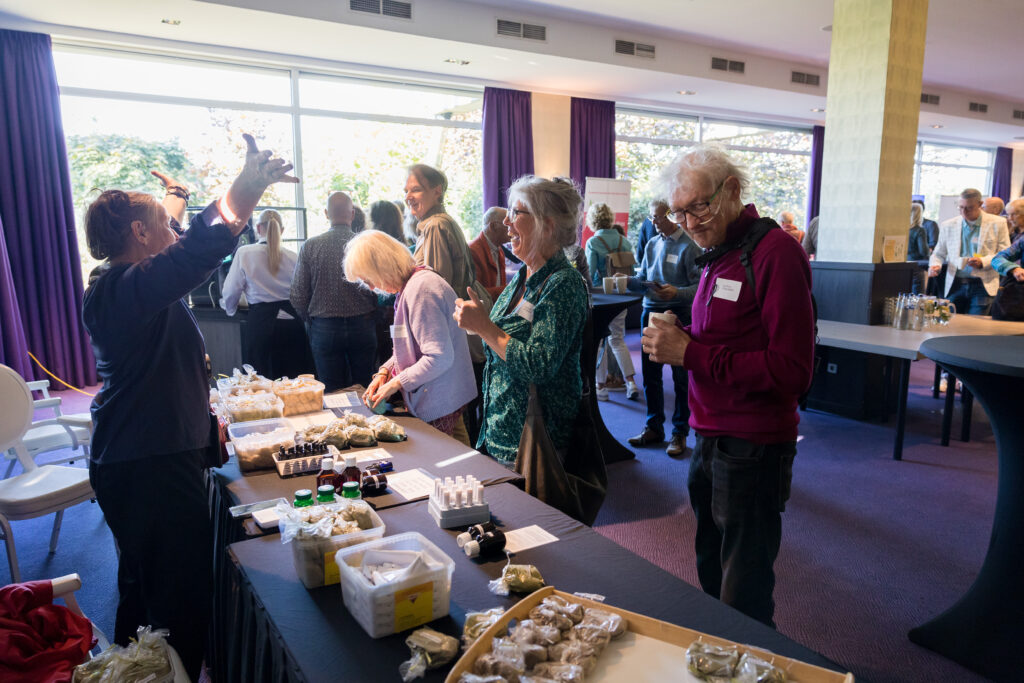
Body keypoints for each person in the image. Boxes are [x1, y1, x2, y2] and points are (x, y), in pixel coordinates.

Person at [82, 135, 297, 680]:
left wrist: (174, 197)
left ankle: (138, 670)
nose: (173, 231)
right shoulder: (121, 290)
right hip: (147, 464)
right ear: (139, 234)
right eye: (164, 224)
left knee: (145, 584)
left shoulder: (126, 282)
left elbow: (171, 237)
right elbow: (190, 251)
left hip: (142, 457)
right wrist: (242, 194)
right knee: (177, 597)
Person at [640, 145, 815, 626]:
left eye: (699, 205)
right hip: (709, 435)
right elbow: (730, 337)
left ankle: (754, 666)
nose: (690, 222)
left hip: (754, 445)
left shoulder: (776, 253)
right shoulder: (721, 254)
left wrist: (690, 353)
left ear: (732, 191)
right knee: (712, 574)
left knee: (744, 591)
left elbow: (793, 371)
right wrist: (683, 336)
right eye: (680, 211)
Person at [453, 176, 589, 466]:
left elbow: (539, 365)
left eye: (516, 213)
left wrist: (484, 327)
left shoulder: (564, 283)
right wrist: (481, 322)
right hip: (501, 434)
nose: (506, 222)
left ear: (547, 223)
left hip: (535, 443)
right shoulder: (522, 278)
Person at [345, 230, 477, 444]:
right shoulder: (410, 287)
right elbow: (407, 347)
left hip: (441, 398)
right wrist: (385, 371)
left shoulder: (421, 289)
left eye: (368, 279)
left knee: (452, 467)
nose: (370, 288)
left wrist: (396, 382)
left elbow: (439, 357)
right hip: (442, 395)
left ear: (382, 267)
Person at [624, 198, 700, 457]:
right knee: (651, 375)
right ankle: (654, 427)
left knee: (680, 379)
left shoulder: (690, 246)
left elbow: (700, 287)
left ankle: (679, 432)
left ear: (671, 216)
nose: (653, 223)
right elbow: (643, 277)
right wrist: (628, 281)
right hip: (650, 311)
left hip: (677, 314)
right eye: (651, 218)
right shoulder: (653, 243)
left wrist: (676, 291)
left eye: (656, 217)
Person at [290, 192, 378, 391]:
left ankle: (337, 422)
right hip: (362, 324)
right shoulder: (366, 245)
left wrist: (310, 318)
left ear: (325, 214)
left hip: (324, 326)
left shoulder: (310, 246)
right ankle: (369, 421)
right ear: (352, 214)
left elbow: (297, 294)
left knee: (331, 391)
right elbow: (379, 288)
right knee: (366, 387)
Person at [220, 209, 313, 379]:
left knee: (262, 385)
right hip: (293, 326)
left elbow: (230, 291)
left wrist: (230, 309)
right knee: (297, 384)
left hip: (261, 326)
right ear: (282, 230)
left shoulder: (245, 253)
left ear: (257, 227)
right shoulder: (294, 256)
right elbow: (304, 292)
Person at [584, 202, 639, 402]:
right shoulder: (624, 241)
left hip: (601, 296)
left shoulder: (593, 242)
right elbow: (631, 272)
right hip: (621, 295)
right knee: (617, 339)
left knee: (599, 342)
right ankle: (631, 383)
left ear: (592, 220)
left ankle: (601, 387)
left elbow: (588, 274)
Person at [928, 187, 1011, 315]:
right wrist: (935, 265)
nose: (964, 211)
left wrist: (983, 261)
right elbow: (938, 253)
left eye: (969, 208)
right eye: (961, 207)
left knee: (975, 329)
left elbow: (1005, 253)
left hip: (982, 284)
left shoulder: (998, 223)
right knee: (950, 325)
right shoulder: (948, 225)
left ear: (980, 204)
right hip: (954, 283)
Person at [469, 206, 510, 301]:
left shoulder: (499, 249)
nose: (512, 228)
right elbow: (476, 294)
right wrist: (509, 290)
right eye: (507, 224)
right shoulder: (473, 251)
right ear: (493, 226)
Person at [992, 199, 1024, 281]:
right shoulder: (1015, 234)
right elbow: (997, 258)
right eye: (1009, 214)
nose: (1009, 218)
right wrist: (1014, 269)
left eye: (1013, 214)